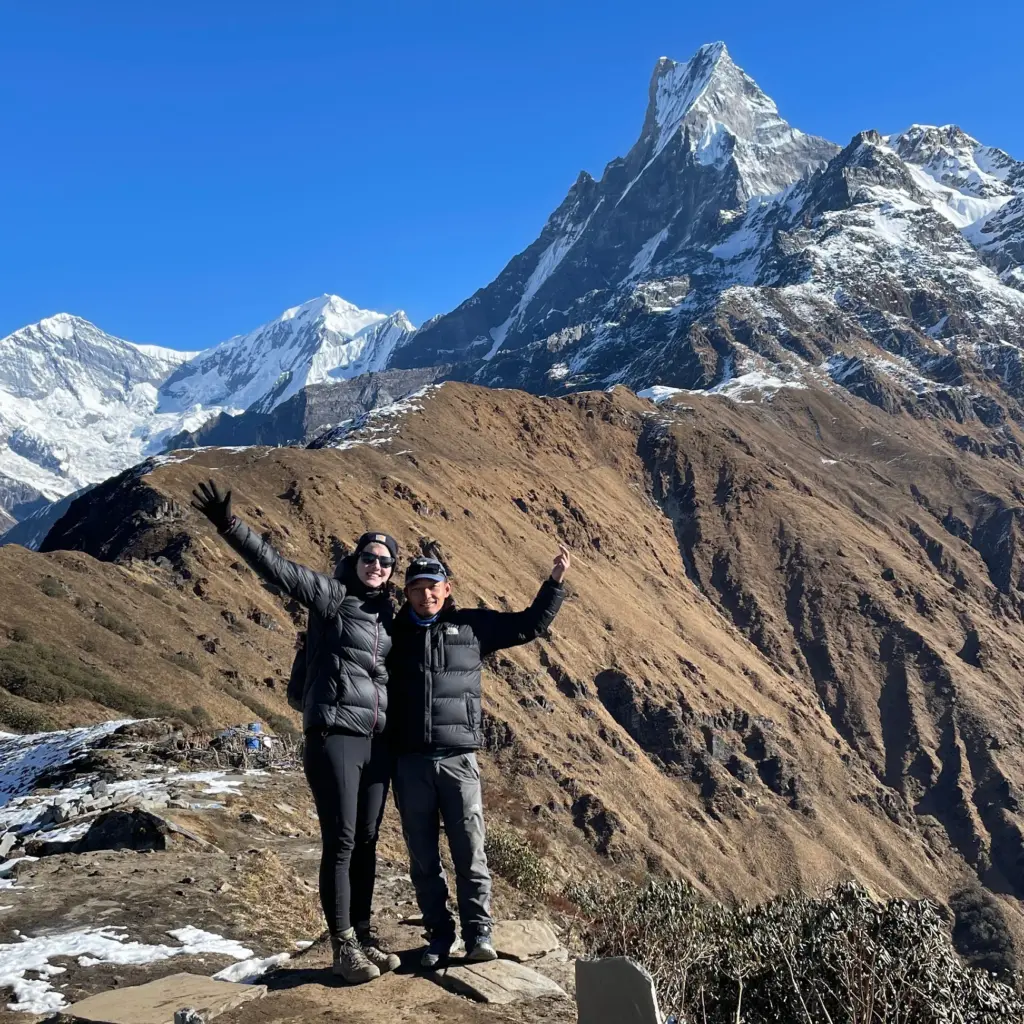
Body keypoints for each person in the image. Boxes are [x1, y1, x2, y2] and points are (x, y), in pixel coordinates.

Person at [190, 479, 400, 984]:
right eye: (369, 557)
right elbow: (280, 571)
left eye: (385, 562)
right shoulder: (331, 597)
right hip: (334, 736)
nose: (376, 566)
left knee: (369, 838)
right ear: (355, 560)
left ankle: (365, 932)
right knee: (343, 840)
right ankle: (343, 946)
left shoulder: (388, 612)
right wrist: (229, 526)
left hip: (376, 741)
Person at [387, 544, 571, 968]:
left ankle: (478, 934)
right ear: (407, 593)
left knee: (470, 850)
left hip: (459, 760)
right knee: (422, 856)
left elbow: (529, 625)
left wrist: (555, 583)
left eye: (432, 587)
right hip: (410, 761)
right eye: (416, 588)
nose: (425, 595)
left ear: (446, 589)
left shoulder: (471, 627)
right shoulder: (393, 634)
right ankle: (438, 935)